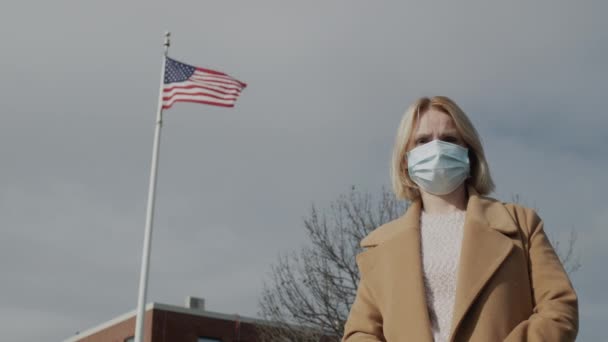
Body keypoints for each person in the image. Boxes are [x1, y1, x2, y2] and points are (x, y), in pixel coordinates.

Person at [342, 96, 578, 341]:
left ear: (469, 152)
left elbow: (559, 307)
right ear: (405, 160)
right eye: (422, 140)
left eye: (449, 139)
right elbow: (360, 332)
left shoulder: (521, 224)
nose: (436, 149)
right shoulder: (382, 246)